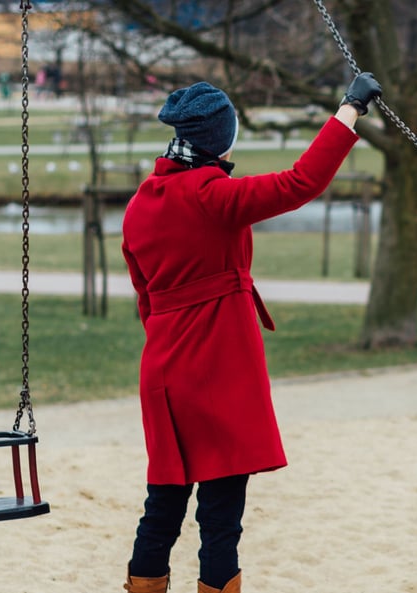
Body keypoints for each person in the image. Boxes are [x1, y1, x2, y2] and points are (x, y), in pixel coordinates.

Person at [120, 73, 382, 593]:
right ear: (222, 138)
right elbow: (301, 182)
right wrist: (350, 107)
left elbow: (145, 298)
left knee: (164, 501)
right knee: (220, 516)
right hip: (217, 363)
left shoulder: (140, 203)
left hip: (164, 368)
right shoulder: (213, 196)